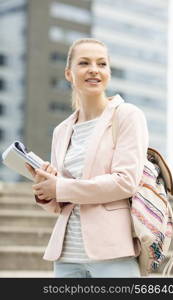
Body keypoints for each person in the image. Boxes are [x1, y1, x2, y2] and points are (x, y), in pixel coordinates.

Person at [26, 38, 149, 278]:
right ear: (69, 74)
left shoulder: (127, 116)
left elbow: (125, 182)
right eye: (84, 63)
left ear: (108, 73)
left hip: (112, 255)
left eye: (101, 64)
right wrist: (46, 191)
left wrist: (60, 187)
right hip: (66, 257)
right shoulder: (62, 130)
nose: (94, 69)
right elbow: (63, 202)